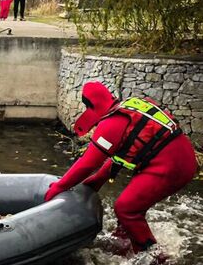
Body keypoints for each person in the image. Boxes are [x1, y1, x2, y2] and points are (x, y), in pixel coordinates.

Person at [44, 81, 198, 255]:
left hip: (172, 166)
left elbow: (88, 163)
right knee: (133, 204)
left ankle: (155, 259)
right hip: (181, 157)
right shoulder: (128, 107)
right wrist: (96, 181)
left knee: (126, 208)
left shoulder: (111, 124)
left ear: (90, 106)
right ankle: (124, 240)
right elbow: (123, 152)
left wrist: (59, 186)